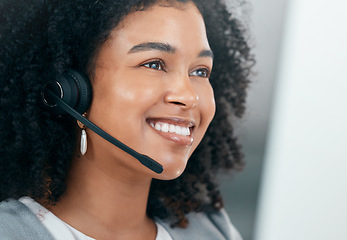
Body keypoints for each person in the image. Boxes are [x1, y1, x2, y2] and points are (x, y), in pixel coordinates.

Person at [0, 0, 254, 239]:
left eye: (200, 71)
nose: (189, 97)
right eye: (154, 64)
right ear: (70, 93)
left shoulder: (213, 229)